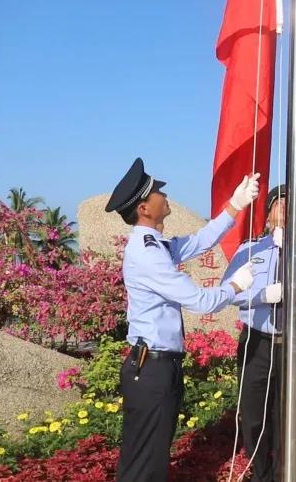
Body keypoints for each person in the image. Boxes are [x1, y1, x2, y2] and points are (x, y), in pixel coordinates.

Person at [105, 157, 260, 482]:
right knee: (145, 464)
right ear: (145, 208)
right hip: (152, 367)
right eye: (157, 191)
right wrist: (236, 286)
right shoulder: (147, 253)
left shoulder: (155, 245)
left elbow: (200, 241)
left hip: (158, 366)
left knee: (151, 458)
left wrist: (235, 204)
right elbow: (198, 300)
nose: (165, 194)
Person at [221, 184, 296, 482]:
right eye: (278, 204)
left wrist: (292, 249)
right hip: (257, 342)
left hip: (292, 343)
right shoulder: (249, 250)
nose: (284, 209)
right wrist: (260, 296)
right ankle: (261, 475)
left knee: (290, 416)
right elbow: (226, 292)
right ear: (268, 214)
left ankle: (285, 474)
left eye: (291, 206)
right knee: (253, 415)